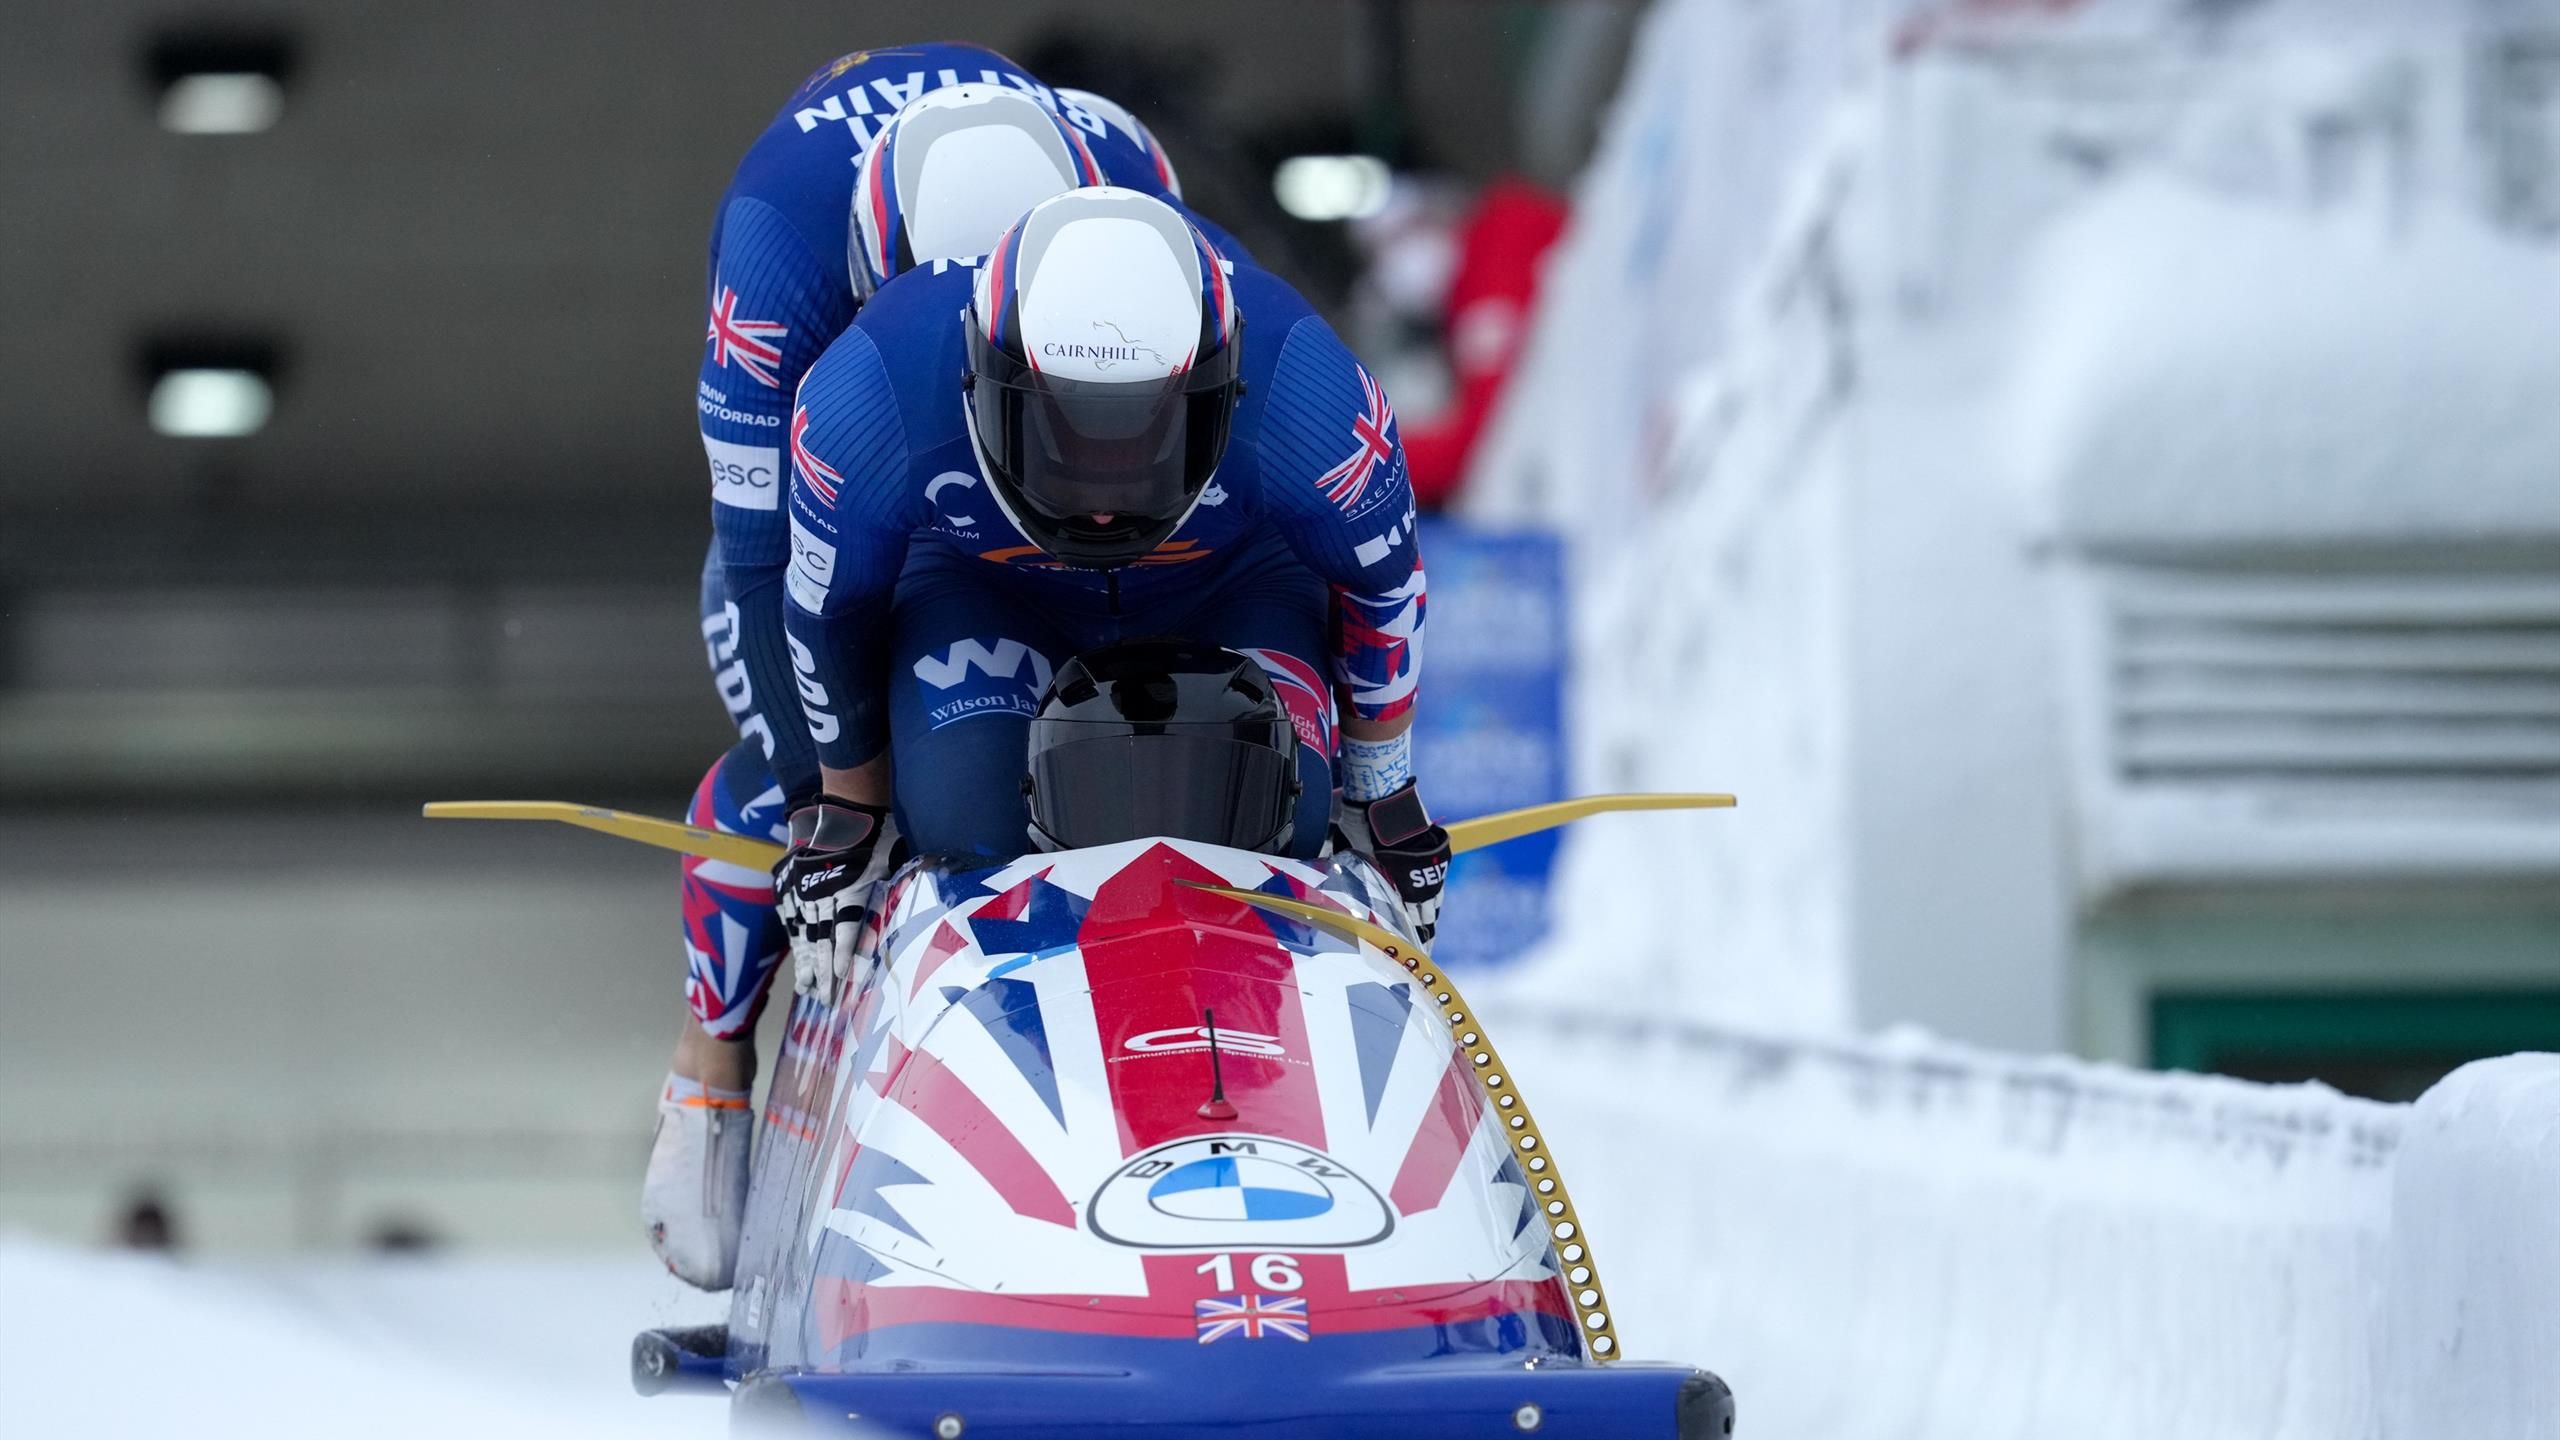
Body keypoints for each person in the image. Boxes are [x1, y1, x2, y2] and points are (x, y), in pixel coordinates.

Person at [651, 48, 1189, 1290]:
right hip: (855, 507)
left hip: (1056, 471)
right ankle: (710, 1060)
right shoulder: (777, 254)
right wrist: (822, 803)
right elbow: (761, 558)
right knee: (884, 796)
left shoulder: (1127, 191)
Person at [774, 185, 1451, 997]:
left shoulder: (1314, 398)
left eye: (1145, 436)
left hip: (1230, 583)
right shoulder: (867, 397)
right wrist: (851, 810)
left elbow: (1380, 585)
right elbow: (830, 609)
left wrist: (1382, 795)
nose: (1102, 501)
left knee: (1276, 817)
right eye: (1061, 431)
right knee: (969, 826)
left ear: (1226, 387)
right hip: (986, 587)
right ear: (979, 380)